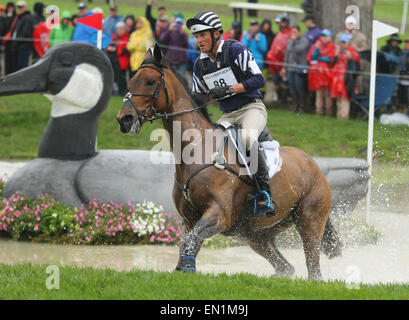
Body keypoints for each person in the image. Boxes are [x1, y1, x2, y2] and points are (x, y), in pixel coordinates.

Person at [187, 11, 276, 216]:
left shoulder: (236, 50)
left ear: (216, 33)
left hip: (251, 108)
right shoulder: (200, 64)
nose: (199, 40)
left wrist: (229, 89)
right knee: (208, 145)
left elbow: (259, 80)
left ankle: (264, 193)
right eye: (196, 36)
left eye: (202, 35)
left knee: (246, 137)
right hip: (227, 115)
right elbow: (199, 96)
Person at [330, 34, 360, 120]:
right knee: (338, 98)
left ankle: (344, 117)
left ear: (348, 42)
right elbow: (332, 64)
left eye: (344, 42)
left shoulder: (352, 52)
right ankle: (339, 116)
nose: (343, 44)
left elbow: (356, 68)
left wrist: (350, 58)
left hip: (347, 79)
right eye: (341, 42)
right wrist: (335, 55)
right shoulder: (338, 51)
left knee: (345, 98)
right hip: (337, 79)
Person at [306, 29, 336, 116]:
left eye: (326, 36)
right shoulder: (317, 45)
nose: (324, 38)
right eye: (322, 36)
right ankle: (318, 112)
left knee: (327, 94)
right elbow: (312, 57)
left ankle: (328, 113)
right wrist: (317, 50)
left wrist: (320, 58)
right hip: (318, 74)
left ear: (329, 37)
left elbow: (331, 59)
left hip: (328, 74)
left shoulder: (332, 47)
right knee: (319, 94)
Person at [281, 25, 309, 113]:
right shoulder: (290, 42)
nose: (293, 34)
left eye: (295, 32)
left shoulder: (304, 41)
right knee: (292, 88)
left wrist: (293, 41)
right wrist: (284, 67)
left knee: (299, 87)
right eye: (292, 32)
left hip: (299, 68)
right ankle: (294, 106)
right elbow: (287, 54)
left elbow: (298, 50)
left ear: (299, 32)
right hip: (290, 68)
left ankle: (301, 107)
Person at [266, 14, 291, 103]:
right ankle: (280, 100)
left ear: (285, 22)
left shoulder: (288, 34)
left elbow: (285, 51)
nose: (279, 25)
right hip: (276, 65)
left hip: (283, 65)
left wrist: (282, 67)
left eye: (280, 23)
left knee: (285, 83)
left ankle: (285, 100)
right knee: (278, 82)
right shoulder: (280, 33)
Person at [106, 21, 130, 96]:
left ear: (124, 29)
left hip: (122, 60)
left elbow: (124, 49)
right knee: (115, 76)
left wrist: (115, 49)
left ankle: (123, 91)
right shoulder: (114, 36)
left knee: (122, 77)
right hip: (113, 59)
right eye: (118, 29)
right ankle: (117, 91)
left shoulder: (127, 37)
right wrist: (110, 48)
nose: (119, 31)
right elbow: (110, 45)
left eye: (120, 29)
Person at [11, 1, 34, 71]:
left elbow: (25, 33)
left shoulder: (27, 17)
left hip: (23, 47)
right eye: (18, 7)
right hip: (19, 46)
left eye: (21, 7)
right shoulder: (20, 17)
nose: (19, 9)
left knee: (23, 68)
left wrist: (16, 42)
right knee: (18, 68)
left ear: (25, 8)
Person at [3, 2, 16, 74]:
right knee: (7, 60)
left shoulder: (16, 17)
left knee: (13, 61)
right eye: (9, 7)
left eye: (11, 7)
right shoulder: (4, 18)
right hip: (6, 42)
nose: (10, 9)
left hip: (14, 43)